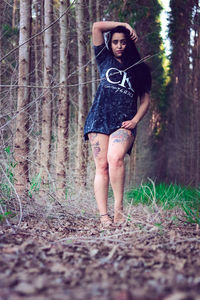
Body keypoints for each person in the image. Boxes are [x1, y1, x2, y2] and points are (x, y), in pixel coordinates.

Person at [84, 21, 151, 227]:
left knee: (116, 158)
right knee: (101, 166)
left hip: (124, 123)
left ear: (129, 43)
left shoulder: (139, 70)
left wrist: (135, 120)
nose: (119, 46)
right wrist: (124, 24)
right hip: (98, 119)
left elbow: (145, 100)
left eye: (123, 42)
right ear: (110, 44)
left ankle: (119, 209)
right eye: (115, 42)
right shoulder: (104, 59)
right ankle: (104, 216)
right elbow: (96, 27)